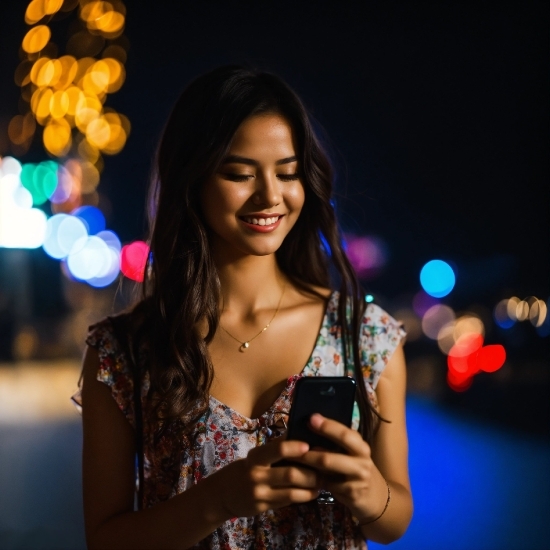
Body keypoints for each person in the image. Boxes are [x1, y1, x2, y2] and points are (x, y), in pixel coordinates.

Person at [78, 65, 412, 549]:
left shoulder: (366, 335)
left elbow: (395, 519)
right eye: (239, 174)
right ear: (191, 179)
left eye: (288, 173)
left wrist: (370, 491)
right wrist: (219, 500)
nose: (270, 196)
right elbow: (105, 540)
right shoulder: (121, 351)